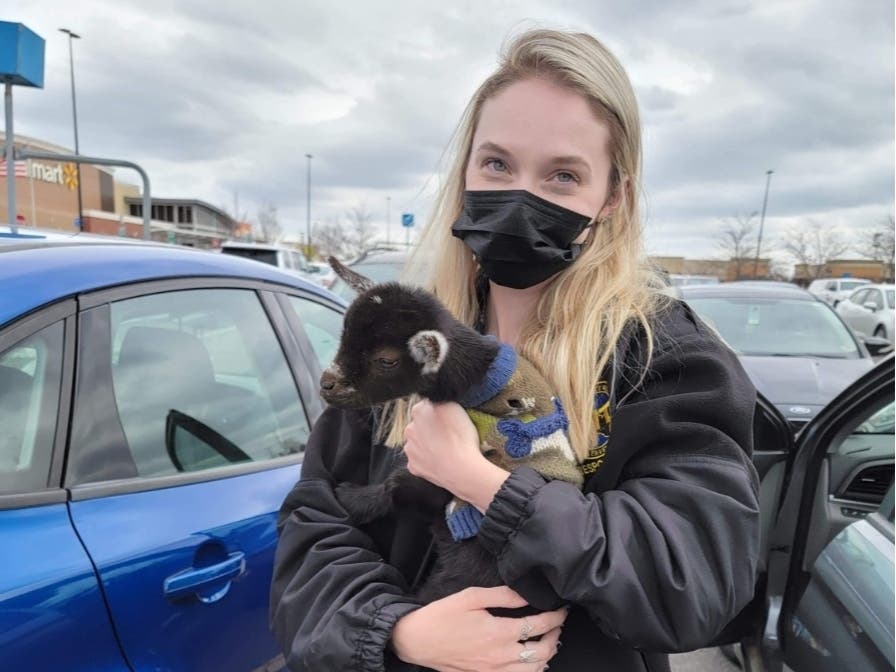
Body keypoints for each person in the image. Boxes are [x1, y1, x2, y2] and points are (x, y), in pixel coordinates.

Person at [270, 28, 760, 672]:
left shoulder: (663, 360)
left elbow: (687, 582)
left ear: (611, 197)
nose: (521, 198)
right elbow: (312, 529)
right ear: (465, 170)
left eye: (563, 176)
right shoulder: (405, 345)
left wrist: (486, 485)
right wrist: (397, 631)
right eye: (497, 165)